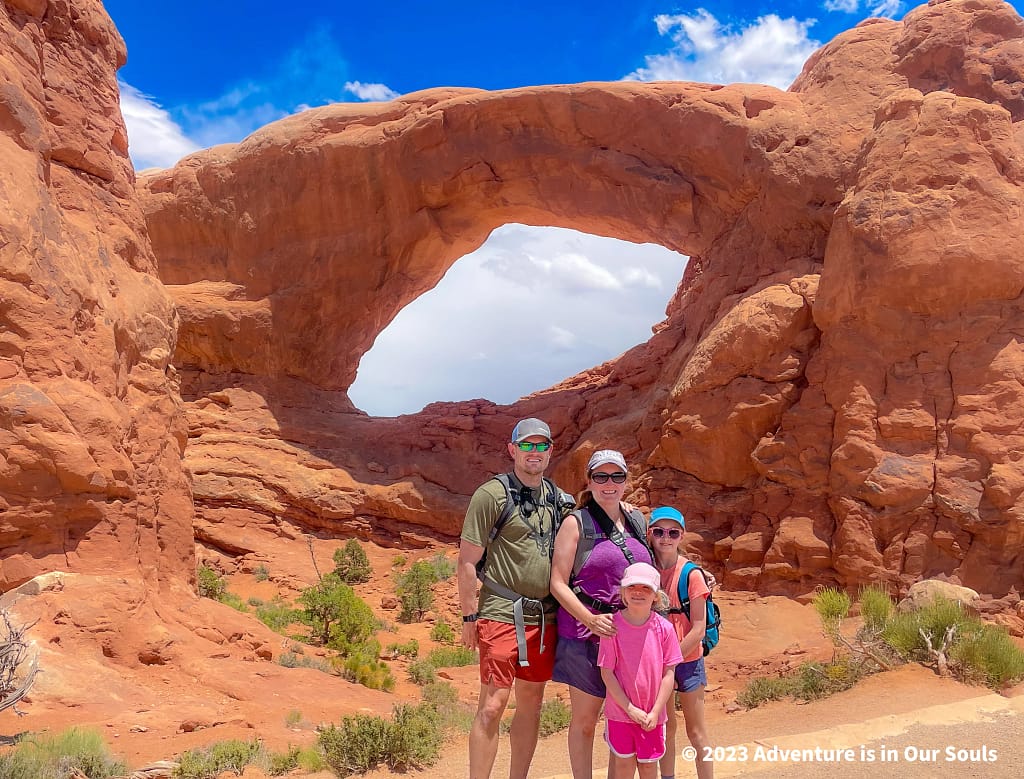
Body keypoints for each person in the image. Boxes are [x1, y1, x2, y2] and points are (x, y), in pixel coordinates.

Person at [458, 417, 572, 779]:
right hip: (500, 612)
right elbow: (466, 561)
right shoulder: (491, 495)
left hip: (545, 617)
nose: (534, 452)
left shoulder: (559, 499)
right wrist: (468, 616)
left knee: (532, 704)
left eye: (541, 445)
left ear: (550, 451)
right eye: (527, 445)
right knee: (493, 705)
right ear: (512, 449)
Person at [549, 449, 653, 779]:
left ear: (626, 480)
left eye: (617, 477)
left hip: (628, 636)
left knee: (621, 719)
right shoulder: (575, 523)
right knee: (584, 721)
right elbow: (557, 583)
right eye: (601, 477)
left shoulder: (636, 519)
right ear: (589, 481)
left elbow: (651, 570)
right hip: (583, 637)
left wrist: (695, 574)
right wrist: (589, 619)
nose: (609, 484)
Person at [598, 562, 683, 779]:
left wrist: (655, 712)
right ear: (623, 592)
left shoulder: (664, 628)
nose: (638, 592)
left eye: (646, 588)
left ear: (656, 595)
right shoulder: (612, 626)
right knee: (623, 768)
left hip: (652, 716)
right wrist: (630, 710)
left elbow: (669, 674)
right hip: (620, 714)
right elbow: (607, 673)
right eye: (632, 586)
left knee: (648, 768)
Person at [648, 506, 714, 779]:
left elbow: (698, 628)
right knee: (666, 728)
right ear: (650, 534)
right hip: (657, 663)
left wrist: (670, 661)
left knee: (696, 731)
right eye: (659, 532)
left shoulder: (692, 575)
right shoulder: (646, 571)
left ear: (681, 536)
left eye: (673, 532)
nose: (666, 538)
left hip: (686, 661)